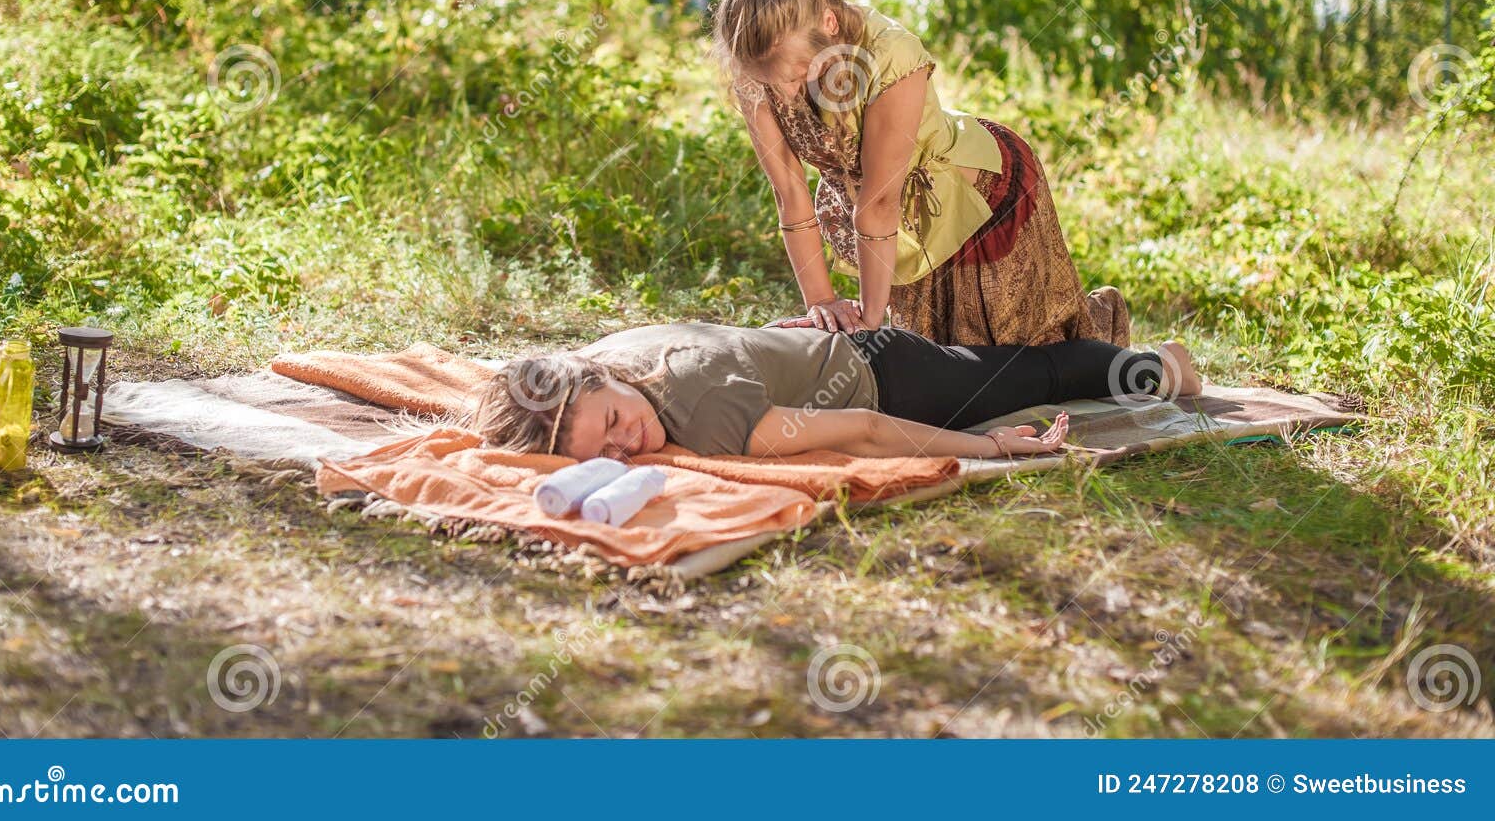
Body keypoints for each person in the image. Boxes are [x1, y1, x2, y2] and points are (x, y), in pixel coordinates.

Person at [709, 0, 1129, 348]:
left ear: (830, 27)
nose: (787, 91)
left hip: (982, 203)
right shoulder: (757, 62)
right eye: (774, 81)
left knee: (1034, 353)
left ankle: (1154, 356)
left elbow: (879, 201)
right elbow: (790, 191)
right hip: (900, 235)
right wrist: (823, 303)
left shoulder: (892, 54)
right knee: (944, 369)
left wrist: (869, 326)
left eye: (799, 73)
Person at [466, 321, 1201, 462]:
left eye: (616, 424)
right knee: (1013, 358)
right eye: (606, 454)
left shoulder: (712, 416)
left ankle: (1161, 365)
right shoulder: (596, 361)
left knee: (1038, 373)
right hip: (828, 348)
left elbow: (862, 430)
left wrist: (985, 447)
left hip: (894, 381)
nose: (629, 445)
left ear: (601, 384)